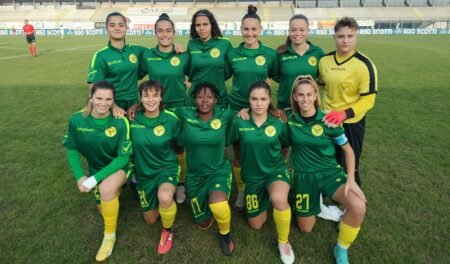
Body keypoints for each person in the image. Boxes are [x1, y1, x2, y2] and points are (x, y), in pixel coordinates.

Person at [286, 75, 367, 264]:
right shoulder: (289, 119)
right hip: (304, 177)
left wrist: (351, 179)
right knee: (306, 228)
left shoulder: (329, 120)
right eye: (300, 95)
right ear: (295, 97)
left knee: (358, 207)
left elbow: (348, 151)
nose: (305, 99)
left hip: (329, 172)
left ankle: (340, 249)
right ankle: (318, 205)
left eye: (309, 94)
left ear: (316, 95)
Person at [63, 81, 132, 262]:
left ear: (113, 101)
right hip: (96, 168)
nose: (103, 103)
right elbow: (71, 148)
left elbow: (123, 158)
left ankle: (109, 236)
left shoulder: (120, 121)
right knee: (103, 208)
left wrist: (94, 180)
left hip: (120, 166)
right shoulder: (77, 120)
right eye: (99, 98)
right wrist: (80, 176)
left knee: (106, 190)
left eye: (108, 99)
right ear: (91, 98)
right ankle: (115, 191)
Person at [228, 81, 294, 264]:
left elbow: (285, 144)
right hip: (252, 177)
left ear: (269, 100)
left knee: (279, 199)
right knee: (256, 225)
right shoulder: (239, 121)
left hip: (275, 172)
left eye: (263, 99)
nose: (258, 103)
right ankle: (266, 196)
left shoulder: (278, 121)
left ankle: (284, 242)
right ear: (248, 100)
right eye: (254, 99)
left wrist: (281, 162)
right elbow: (235, 144)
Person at [226, 5, 279, 211]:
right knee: (239, 154)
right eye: (246, 29)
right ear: (241, 30)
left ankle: (266, 184)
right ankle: (241, 191)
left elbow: (274, 75)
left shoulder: (269, 54)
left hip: (261, 109)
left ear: (260, 30)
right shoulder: (232, 53)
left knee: (262, 151)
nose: (249, 33)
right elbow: (224, 75)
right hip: (238, 108)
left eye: (253, 29)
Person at [174, 82, 235, 256]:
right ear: (194, 99)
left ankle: (225, 235)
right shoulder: (185, 114)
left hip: (218, 171)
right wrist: (135, 107)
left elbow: (253, 112)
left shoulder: (225, 115)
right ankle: (201, 197)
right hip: (194, 176)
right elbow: (158, 110)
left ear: (216, 100)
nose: (204, 101)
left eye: (209, 97)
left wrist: (275, 110)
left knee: (218, 206)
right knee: (203, 223)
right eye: (200, 96)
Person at [318, 16, 378, 187]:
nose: (345, 40)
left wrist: (344, 114)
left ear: (356, 37)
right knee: (327, 159)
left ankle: (352, 201)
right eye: (341, 36)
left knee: (351, 164)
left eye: (350, 36)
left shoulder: (365, 65)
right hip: (327, 119)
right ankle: (325, 193)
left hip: (352, 122)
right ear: (334, 37)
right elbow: (320, 85)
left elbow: (368, 100)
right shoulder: (325, 61)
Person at [137, 13, 189, 203]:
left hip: (179, 108)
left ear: (174, 33)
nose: (165, 34)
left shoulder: (183, 55)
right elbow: (135, 75)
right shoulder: (147, 55)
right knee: (155, 143)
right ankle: (152, 178)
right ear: (155, 33)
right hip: (154, 108)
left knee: (178, 147)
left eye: (168, 30)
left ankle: (181, 183)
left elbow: (195, 76)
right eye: (160, 31)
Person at [130, 81, 179, 255]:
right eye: (146, 95)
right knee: (150, 219)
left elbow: (180, 145)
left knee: (164, 197)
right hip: (144, 174)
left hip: (167, 168)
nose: (151, 99)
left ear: (161, 97)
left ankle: (167, 230)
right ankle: (162, 199)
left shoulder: (171, 119)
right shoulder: (131, 119)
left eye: (155, 95)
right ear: (140, 98)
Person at [87, 12, 146, 118]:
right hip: (111, 107)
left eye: (121, 25)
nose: (117, 28)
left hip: (134, 105)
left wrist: (176, 47)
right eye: (112, 25)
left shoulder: (136, 50)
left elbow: (159, 52)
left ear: (126, 27)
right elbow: (93, 86)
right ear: (107, 28)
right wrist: (113, 106)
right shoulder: (100, 55)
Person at [276, 14, 324, 110]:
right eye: (293, 30)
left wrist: (312, 90)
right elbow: (274, 76)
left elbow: (323, 79)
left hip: (309, 107)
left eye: (302, 30)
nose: (298, 33)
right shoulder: (280, 53)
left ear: (308, 31)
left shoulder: (318, 52)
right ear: (289, 32)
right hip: (285, 108)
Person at [187, 9, 233, 108]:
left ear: (212, 25)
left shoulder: (225, 43)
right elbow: (188, 69)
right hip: (196, 98)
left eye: (205, 24)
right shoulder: (191, 44)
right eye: (198, 25)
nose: (201, 28)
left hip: (218, 98)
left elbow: (230, 70)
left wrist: (216, 78)